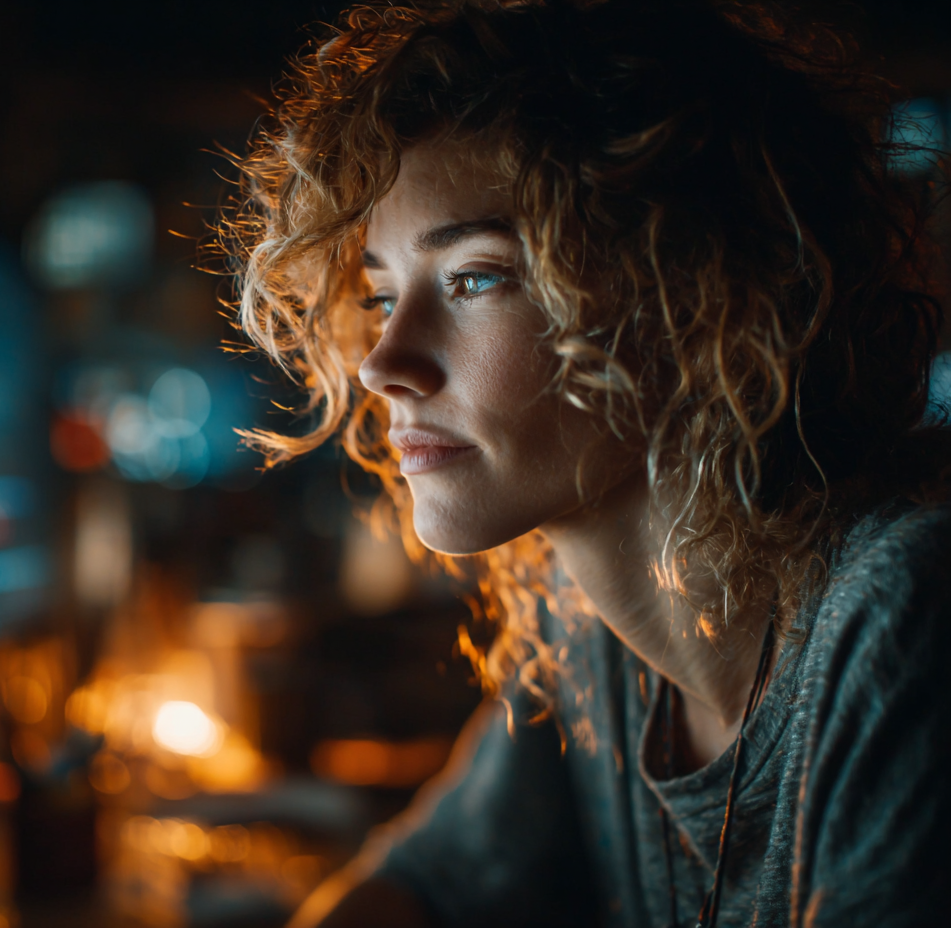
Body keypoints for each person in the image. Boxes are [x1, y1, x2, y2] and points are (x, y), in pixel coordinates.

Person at [218, 1, 951, 925]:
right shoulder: (593, 631)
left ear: (694, 295)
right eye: (380, 292)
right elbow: (432, 885)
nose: (381, 362)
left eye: (475, 277)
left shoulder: (903, 611)